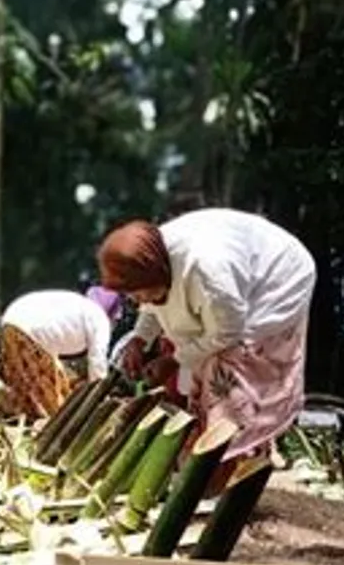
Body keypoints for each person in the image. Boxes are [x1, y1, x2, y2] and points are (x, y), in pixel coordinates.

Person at [98, 207, 317, 489]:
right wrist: (140, 338)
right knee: (204, 363)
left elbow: (227, 332)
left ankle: (229, 469)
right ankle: (205, 465)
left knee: (229, 372)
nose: (137, 301)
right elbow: (151, 303)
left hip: (275, 281)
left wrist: (174, 359)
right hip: (231, 289)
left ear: (159, 273)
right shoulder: (153, 260)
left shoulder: (208, 272)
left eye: (137, 293)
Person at [0, 288, 118, 419]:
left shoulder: (81, 307)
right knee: (50, 406)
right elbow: (98, 364)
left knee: (26, 389)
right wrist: (100, 398)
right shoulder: (99, 318)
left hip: (10, 323)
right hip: (29, 332)